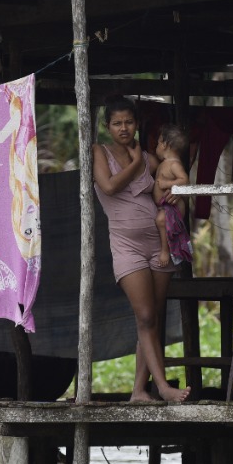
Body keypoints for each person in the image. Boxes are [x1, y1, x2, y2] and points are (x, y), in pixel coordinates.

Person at [92, 97, 190, 403]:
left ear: (137, 124)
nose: (124, 128)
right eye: (117, 123)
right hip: (126, 246)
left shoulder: (151, 158)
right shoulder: (101, 152)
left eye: (129, 122)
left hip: (158, 244)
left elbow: (171, 180)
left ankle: (139, 390)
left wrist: (177, 194)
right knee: (145, 314)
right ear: (107, 127)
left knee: (153, 318)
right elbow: (108, 187)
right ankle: (162, 387)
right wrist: (135, 164)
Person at [153, 123, 193, 270]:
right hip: (165, 205)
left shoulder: (174, 164)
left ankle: (165, 251)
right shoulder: (165, 163)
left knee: (161, 220)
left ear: (164, 145)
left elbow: (184, 180)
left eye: (157, 143)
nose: (156, 146)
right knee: (160, 220)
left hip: (173, 205)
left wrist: (166, 183)